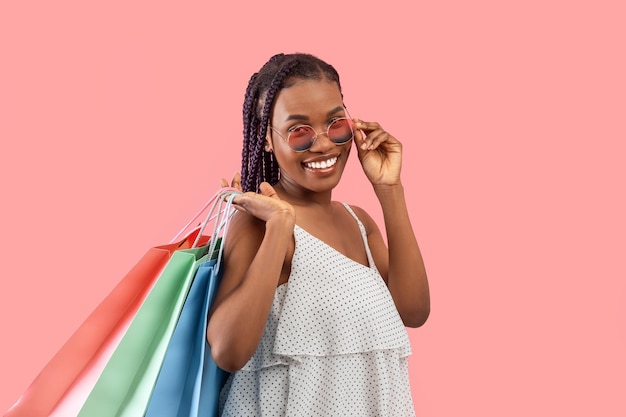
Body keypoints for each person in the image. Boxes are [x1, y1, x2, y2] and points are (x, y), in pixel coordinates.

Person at [207, 52, 430, 416]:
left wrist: (390, 189)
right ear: (266, 138)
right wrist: (279, 227)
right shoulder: (258, 223)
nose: (324, 144)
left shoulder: (359, 222)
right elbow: (228, 351)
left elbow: (414, 311)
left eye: (336, 124)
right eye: (299, 132)